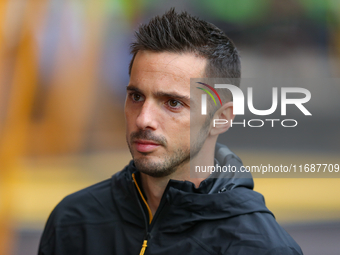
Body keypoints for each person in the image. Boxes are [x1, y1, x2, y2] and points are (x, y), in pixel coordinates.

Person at [38, 9, 303, 255]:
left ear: (221, 118)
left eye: (173, 103)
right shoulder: (73, 221)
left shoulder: (262, 247)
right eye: (137, 96)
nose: (143, 119)